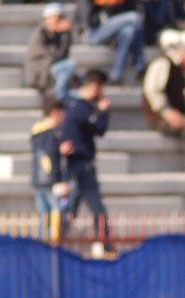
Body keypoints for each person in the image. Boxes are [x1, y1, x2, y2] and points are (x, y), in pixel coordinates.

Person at [141, 31, 185, 172]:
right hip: (160, 117)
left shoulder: (179, 70)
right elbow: (152, 90)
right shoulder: (163, 63)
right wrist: (166, 111)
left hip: (179, 111)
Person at [62, 68, 111, 236]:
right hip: (82, 165)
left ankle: (57, 239)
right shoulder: (81, 108)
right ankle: (105, 243)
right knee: (97, 207)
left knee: (70, 208)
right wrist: (103, 112)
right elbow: (100, 129)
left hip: (74, 165)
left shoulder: (70, 103)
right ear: (95, 86)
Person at [76, 0, 144, 85]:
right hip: (91, 34)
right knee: (135, 17)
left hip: (109, 33)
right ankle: (139, 65)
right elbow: (88, 22)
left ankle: (116, 75)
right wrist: (107, 4)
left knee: (128, 31)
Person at [30, 95, 72, 216]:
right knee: (58, 213)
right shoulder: (49, 133)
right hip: (50, 181)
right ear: (55, 113)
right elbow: (47, 155)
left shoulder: (38, 131)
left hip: (39, 180)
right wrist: (60, 150)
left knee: (45, 215)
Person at [24, 4, 75, 99]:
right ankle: (61, 96)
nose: (58, 21)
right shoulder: (39, 34)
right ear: (47, 18)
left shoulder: (59, 34)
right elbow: (55, 56)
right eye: (55, 18)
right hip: (39, 72)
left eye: (60, 18)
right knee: (68, 66)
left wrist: (66, 34)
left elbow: (64, 53)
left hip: (51, 68)